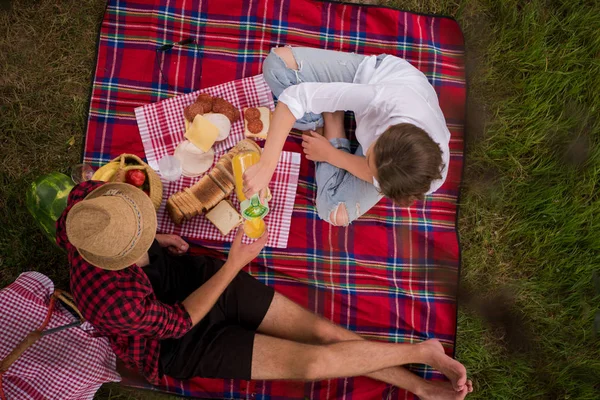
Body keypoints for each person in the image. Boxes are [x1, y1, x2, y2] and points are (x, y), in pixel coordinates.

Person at [56, 181, 472, 399]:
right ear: (115, 260)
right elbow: (180, 321)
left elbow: (128, 233)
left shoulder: (89, 206)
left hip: (190, 279)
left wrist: (157, 238)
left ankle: (418, 386)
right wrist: (235, 264)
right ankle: (424, 352)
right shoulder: (109, 302)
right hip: (178, 343)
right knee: (310, 365)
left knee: (323, 332)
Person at [243, 47, 450, 226]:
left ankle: (332, 118)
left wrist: (330, 154)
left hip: (379, 142)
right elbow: (292, 99)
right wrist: (266, 165)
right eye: (368, 157)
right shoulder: (381, 100)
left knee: (334, 212)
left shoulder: (424, 178)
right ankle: (329, 113)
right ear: (385, 130)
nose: (367, 163)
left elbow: (373, 172)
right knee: (277, 65)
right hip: (373, 78)